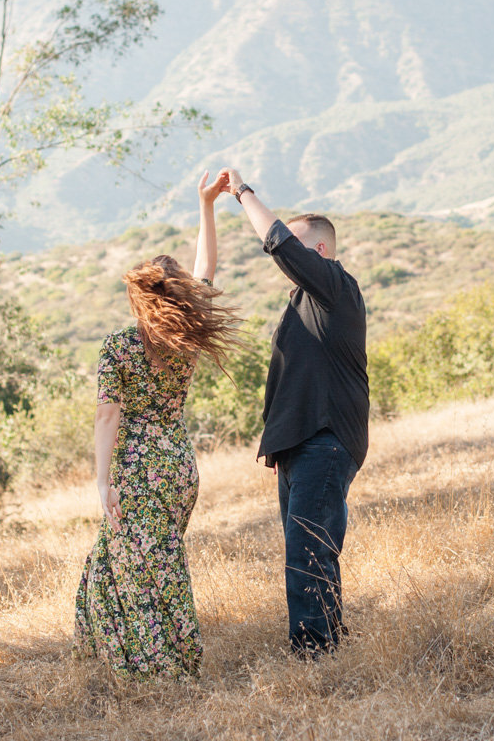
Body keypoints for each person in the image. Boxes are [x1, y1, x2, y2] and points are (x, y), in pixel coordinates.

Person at [74, 170, 242, 678]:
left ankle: (156, 671)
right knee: (147, 562)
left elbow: (107, 415)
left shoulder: (119, 346)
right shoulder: (188, 337)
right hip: (178, 466)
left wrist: (103, 481)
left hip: (137, 468)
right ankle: (131, 659)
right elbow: (207, 266)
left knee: (136, 569)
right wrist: (206, 206)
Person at [219, 167, 369, 655]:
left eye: (301, 252)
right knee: (315, 549)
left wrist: (242, 193)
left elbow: (279, 241)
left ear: (319, 253)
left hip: (324, 440)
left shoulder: (335, 288)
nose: (287, 260)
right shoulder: (308, 299)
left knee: (305, 551)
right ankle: (328, 643)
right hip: (302, 443)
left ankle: (312, 655)